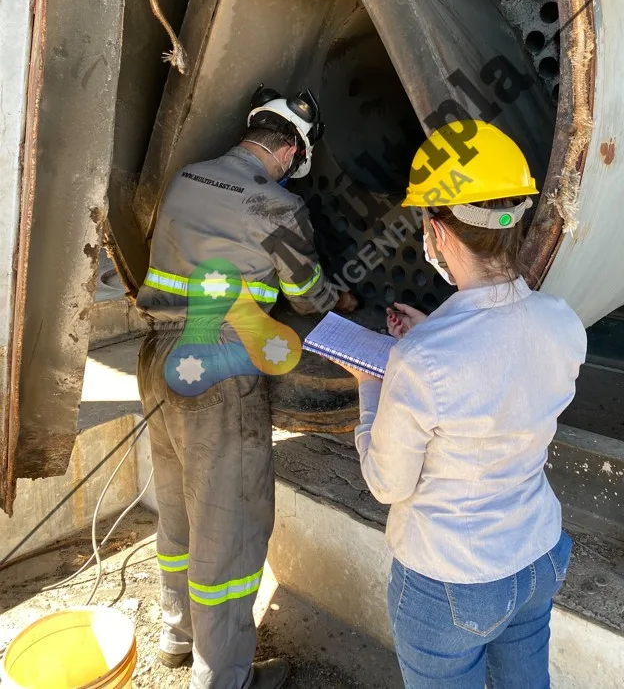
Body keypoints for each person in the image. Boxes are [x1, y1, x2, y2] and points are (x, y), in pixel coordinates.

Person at [349, 119, 587, 689]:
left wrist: (369, 385)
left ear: (437, 232)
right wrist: (433, 332)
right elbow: (504, 371)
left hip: (451, 581)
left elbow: (387, 484)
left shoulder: (422, 362)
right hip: (538, 556)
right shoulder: (563, 322)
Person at [136, 84, 357, 689]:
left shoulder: (186, 177)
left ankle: (176, 635)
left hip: (157, 357)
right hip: (219, 370)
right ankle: (224, 677)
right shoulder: (277, 207)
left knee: (178, 509)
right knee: (228, 532)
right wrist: (341, 295)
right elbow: (306, 292)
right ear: (292, 154)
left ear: (254, 132)